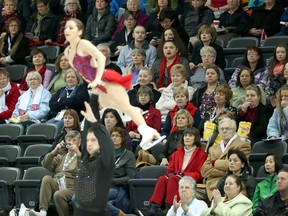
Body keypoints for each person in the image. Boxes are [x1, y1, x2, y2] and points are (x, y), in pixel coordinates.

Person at [64, 18, 164, 150]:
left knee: (124, 105)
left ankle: (147, 130)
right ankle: (147, 129)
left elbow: (100, 58)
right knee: (109, 108)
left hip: (104, 77)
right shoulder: (67, 52)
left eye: (71, 28)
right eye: (66, 27)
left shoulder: (83, 44)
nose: (67, 30)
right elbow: (82, 71)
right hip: (97, 83)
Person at [148, 127, 207, 216]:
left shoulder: (202, 155)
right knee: (162, 179)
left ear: (196, 138)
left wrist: (183, 174)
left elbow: (199, 174)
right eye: (185, 136)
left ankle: (170, 207)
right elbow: (170, 170)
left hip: (189, 180)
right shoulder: (177, 153)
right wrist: (172, 174)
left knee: (173, 178)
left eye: (190, 136)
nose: (187, 138)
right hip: (175, 177)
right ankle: (154, 207)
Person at [73, 102, 114, 216]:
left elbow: (109, 146)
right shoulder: (86, 159)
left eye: (93, 140)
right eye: (88, 140)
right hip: (79, 211)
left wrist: (96, 124)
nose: (89, 144)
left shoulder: (104, 162)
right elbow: (87, 131)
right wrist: (94, 96)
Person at [29, 130, 81, 216]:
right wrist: (54, 151)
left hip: (72, 187)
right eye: (69, 140)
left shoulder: (82, 156)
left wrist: (77, 153)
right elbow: (45, 164)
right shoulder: (61, 156)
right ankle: (43, 212)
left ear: (79, 143)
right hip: (58, 184)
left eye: (74, 140)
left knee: (58, 194)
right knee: (46, 178)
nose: (71, 142)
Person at [200, 118, 251, 200]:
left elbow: (235, 166)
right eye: (221, 129)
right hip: (209, 185)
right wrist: (224, 168)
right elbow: (204, 171)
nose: (224, 131)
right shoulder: (213, 148)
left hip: (230, 184)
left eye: (227, 129)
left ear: (234, 130)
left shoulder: (243, 145)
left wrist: (215, 163)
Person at [107, 127, 136, 216]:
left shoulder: (128, 155)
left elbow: (131, 177)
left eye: (117, 135)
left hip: (116, 187)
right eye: (112, 135)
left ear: (123, 138)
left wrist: (113, 181)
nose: (114, 138)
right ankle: (117, 212)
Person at [127, 85, 161, 150]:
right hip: (132, 139)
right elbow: (129, 128)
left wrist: (140, 136)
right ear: (138, 98)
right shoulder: (135, 112)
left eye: (145, 95)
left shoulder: (155, 112)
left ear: (150, 97)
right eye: (141, 95)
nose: (143, 97)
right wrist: (130, 133)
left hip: (147, 141)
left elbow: (157, 130)